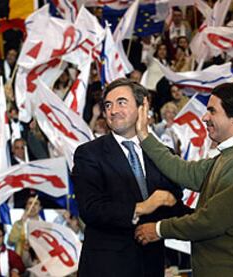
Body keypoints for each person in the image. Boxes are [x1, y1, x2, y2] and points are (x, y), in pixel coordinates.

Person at [135, 82, 233, 276]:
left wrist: (159, 229)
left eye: (212, 111)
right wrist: (144, 135)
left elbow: (210, 221)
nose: (205, 117)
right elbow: (182, 170)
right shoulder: (229, 156)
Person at [72, 78, 190, 277]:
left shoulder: (162, 153)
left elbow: (173, 205)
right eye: (108, 105)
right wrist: (144, 206)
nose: (113, 110)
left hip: (151, 265)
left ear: (143, 106)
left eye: (121, 102)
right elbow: (91, 209)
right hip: (107, 267)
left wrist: (212, 217)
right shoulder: (89, 153)